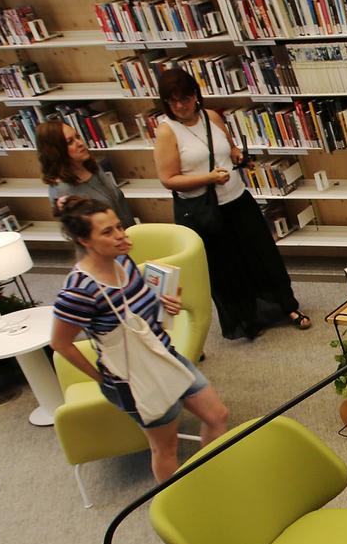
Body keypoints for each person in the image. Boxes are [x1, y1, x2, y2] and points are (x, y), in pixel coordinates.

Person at [49, 195, 229, 481]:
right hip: (135, 379)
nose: (121, 236)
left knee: (217, 415)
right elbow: (59, 343)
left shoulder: (123, 259)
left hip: (166, 355)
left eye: (119, 227)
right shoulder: (78, 291)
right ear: (85, 241)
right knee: (165, 447)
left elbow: (135, 305)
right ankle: (177, 501)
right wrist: (101, 378)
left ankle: (210, 477)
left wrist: (163, 304)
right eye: (107, 232)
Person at [152, 66, 309, 339]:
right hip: (205, 211)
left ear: (196, 96)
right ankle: (247, 319)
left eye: (185, 99)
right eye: (172, 101)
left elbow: (229, 146)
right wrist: (208, 178)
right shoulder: (167, 132)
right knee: (227, 267)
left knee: (263, 256)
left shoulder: (211, 116)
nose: (180, 106)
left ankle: (287, 307)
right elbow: (168, 179)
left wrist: (236, 155)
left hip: (237, 199)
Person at [38, 117, 134, 226]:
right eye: (70, 142)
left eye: (78, 137)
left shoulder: (93, 167)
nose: (80, 143)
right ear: (55, 151)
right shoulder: (61, 191)